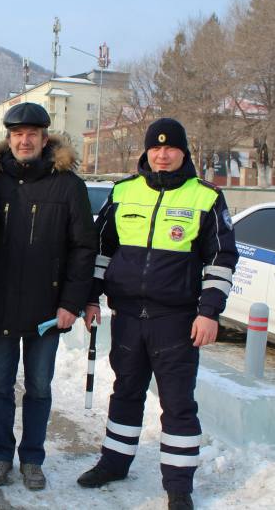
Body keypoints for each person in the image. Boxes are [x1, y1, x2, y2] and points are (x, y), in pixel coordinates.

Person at [77, 118, 238, 510]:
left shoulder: (205, 198)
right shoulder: (123, 192)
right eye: (155, 148)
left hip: (177, 320)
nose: (162, 154)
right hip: (128, 315)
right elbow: (101, 251)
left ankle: (179, 485)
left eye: (170, 148)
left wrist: (210, 313)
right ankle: (114, 462)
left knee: (178, 402)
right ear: (146, 152)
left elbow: (222, 259)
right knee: (126, 392)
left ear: (183, 152)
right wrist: (93, 298)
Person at [0, 102, 97, 490]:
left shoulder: (69, 186)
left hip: (47, 309)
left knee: (40, 387)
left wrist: (71, 303)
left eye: (32, 134)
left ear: (45, 139)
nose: (24, 140)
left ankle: (32, 458)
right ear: (8, 139)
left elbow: (83, 248)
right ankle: (0, 455)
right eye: (17, 134)